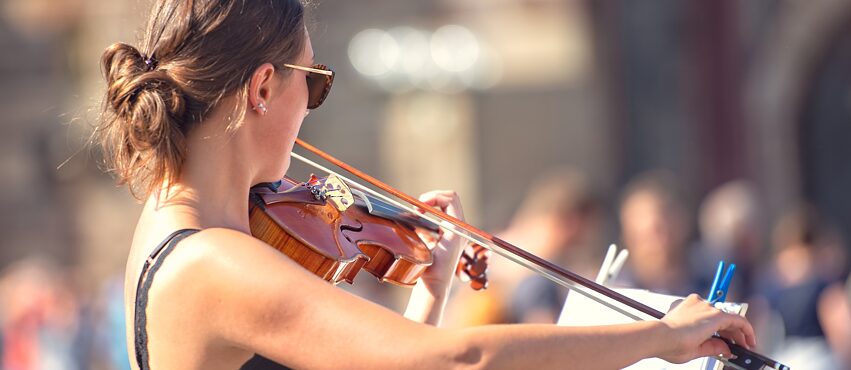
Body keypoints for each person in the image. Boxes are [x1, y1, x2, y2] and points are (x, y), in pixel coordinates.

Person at [97, 1, 757, 369]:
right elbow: (457, 360)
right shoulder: (215, 261)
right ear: (264, 87)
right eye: (313, 81)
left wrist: (432, 291)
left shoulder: (181, 227)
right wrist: (659, 335)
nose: (310, 104)